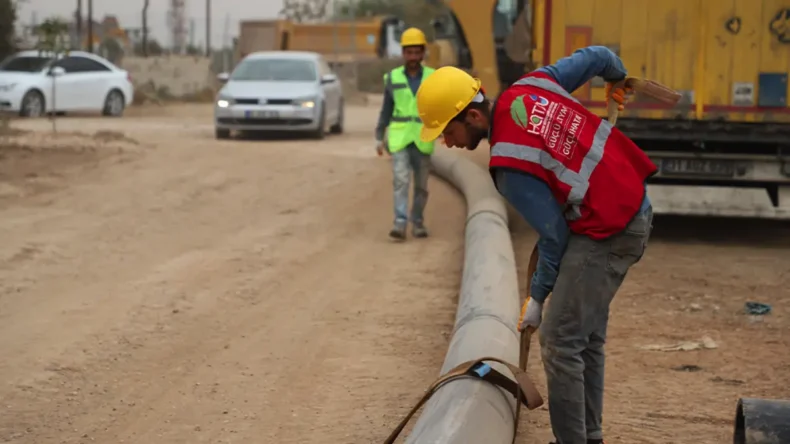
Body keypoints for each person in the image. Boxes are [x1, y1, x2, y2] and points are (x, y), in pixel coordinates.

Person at [415, 46, 656, 444]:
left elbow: (554, 236)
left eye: (448, 131)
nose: (446, 142)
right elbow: (598, 55)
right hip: (630, 208)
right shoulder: (533, 84)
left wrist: (539, 299)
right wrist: (616, 78)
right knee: (585, 335)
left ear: (473, 116)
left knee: (560, 340)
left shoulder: (509, 161)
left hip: (608, 228)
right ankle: (588, 436)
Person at [375, 27, 436, 240]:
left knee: (421, 186)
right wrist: (379, 136)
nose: (412, 56)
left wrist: (445, 130)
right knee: (401, 181)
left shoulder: (432, 77)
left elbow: (440, 106)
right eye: (408, 52)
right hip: (400, 138)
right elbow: (386, 109)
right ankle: (400, 224)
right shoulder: (392, 78)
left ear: (422, 53)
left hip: (423, 137)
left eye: (416, 52)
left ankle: (417, 222)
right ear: (403, 54)